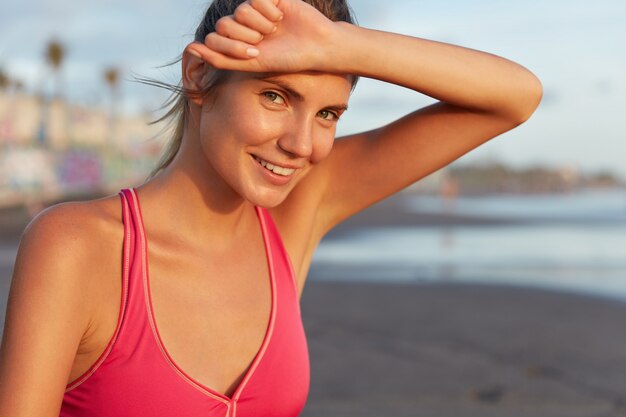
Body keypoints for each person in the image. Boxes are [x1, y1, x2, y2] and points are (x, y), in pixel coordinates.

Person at [0, 0, 542, 415]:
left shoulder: (295, 213)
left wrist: (340, 45)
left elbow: (517, 95)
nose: (303, 145)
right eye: (275, 96)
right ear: (198, 78)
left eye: (328, 113)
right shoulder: (77, 249)